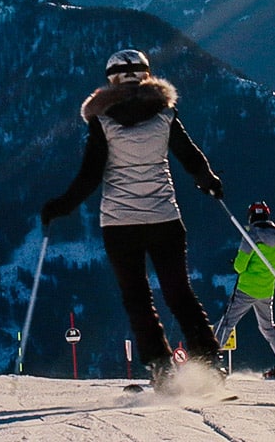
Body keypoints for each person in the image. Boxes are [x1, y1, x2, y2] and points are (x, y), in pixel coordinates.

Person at [40, 49, 224, 386]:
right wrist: (208, 181)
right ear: (147, 75)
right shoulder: (165, 115)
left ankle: (161, 369)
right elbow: (189, 156)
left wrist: (59, 206)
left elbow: (90, 176)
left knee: (137, 298)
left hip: (120, 226)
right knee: (179, 293)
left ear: (111, 80)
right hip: (165, 220)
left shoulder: (103, 121)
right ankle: (208, 363)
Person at [213, 200, 275, 379]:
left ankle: (210, 357)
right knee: (267, 326)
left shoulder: (251, 236)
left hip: (246, 289)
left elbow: (240, 267)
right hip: (266, 290)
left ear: (251, 217)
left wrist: (239, 264)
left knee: (228, 322)